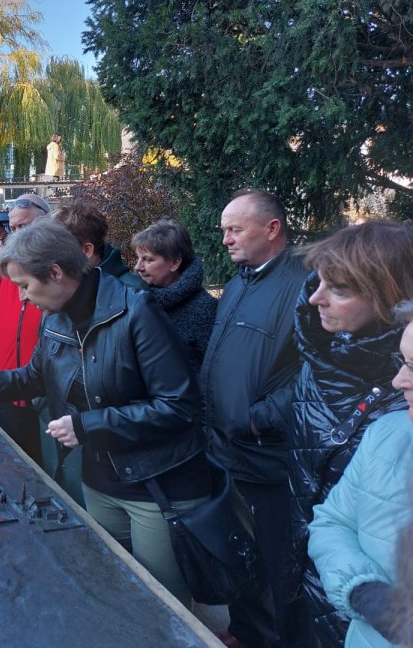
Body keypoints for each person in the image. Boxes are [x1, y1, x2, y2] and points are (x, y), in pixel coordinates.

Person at [0, 220, 208, 607]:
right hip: (98, 481)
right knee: (114, 588)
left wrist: (88, 425)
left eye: (25, 285)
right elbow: (34, 376)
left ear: (56, 273)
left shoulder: (138, 311)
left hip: (154, 489)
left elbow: (179, 406)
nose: (22, 298)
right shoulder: (55, 316)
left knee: (163, 601)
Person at [288, 221, 413, 647]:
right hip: (314, 564)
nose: (315, 298)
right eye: (318, 281)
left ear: (390, 299)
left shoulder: (400, 402)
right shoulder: (321, 351)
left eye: (338, 289)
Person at [199, 189, 309, 648]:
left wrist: (260, 418)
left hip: (266, 453)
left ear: (271, 229)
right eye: (224, 229)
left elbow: (317, 371)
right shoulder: (242, 279)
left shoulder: (305, 283)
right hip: (228, 448)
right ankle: (247, 632)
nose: (224, 239)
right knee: (241, 553)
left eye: (234, 229)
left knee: (274, 563)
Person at [307, 299, 413, 648]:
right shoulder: (388, 433)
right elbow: (331, 522)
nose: (399, 381)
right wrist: (363, 591)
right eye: (403, 363)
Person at [0, 194, 51, 467]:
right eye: (14, 228)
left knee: (45, 462)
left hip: (43, 385)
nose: (18, 233)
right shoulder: (5, 265)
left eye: (25, 226)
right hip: (6, 378)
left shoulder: (57, 265)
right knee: (10, 462)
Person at [131, 219, 217, 373]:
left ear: (174, 263)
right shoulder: (131, 300)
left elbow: (214, 373)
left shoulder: (204, 309)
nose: (138, 267)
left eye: (147, 259)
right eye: (138, 258)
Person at [55, 198, 145, 289]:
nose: (52, 256)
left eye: (60, 249)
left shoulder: (133, 290)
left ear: (86, 250)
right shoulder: (60, 287)